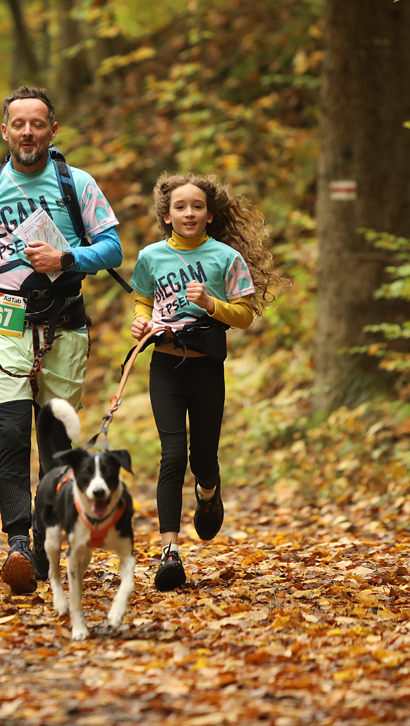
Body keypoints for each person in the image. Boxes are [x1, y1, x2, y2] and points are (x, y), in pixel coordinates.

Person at [0, 86, 123, 595]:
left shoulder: (77, 183)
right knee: (12, 433)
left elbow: (112, 249)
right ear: (4, 131)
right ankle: (18, 541)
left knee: (56, 445)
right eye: (18, 124)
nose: (27, 132)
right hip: (1, 321)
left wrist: (67, 259)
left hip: (63, 323)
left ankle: (43, 539)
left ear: (52, 130)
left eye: (37, 124)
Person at [129, 173, 276, 591]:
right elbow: (142, 298)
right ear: (167, 216)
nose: (189, 213)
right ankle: (169, 552)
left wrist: (211, 304)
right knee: (172, 455)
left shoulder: (226, 258)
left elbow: (244, 315)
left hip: (207, 367)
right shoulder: (151, 256)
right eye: (180, 207)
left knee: (203, 459)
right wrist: (141, 321)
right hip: (165, 366)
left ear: (210, 215)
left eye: (197, 206)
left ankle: (208, 493)